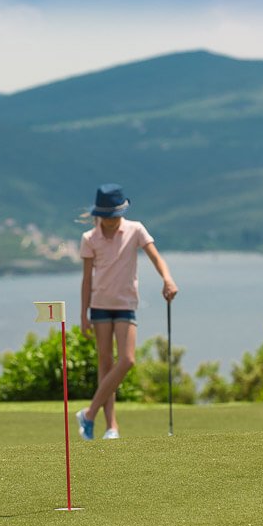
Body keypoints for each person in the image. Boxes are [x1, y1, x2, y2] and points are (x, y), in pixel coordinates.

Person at [75, 184, 177, 440]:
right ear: (99, 214)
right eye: (107, 216)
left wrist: (167, 279)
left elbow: (155, 257)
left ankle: (89, 413)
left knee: (127, 360)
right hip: (99, 306)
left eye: (114, 216)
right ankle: (112, 427)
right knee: (106, 364)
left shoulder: (136, 229)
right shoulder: (89, 238)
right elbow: (87, 280)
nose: (111, 221)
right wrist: (82, 315)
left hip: (125, 304)